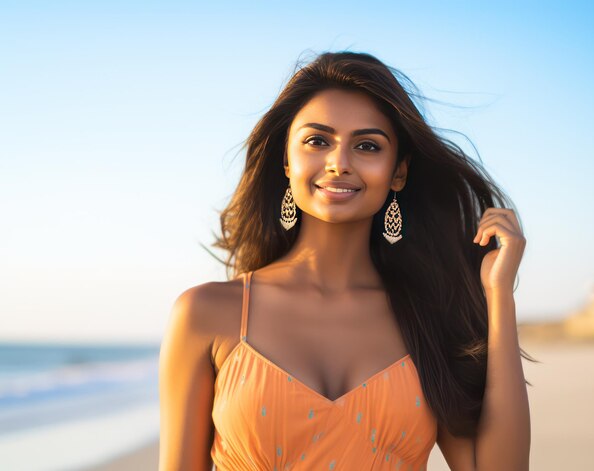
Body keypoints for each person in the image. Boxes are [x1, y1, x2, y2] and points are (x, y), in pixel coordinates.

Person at [158, 51, 535, 471]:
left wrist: (498, 296)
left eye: (367, 145)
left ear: (398, 173)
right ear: (287, 160)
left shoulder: (428, 316)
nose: (339, 163)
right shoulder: (206, 314)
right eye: (317, 141)